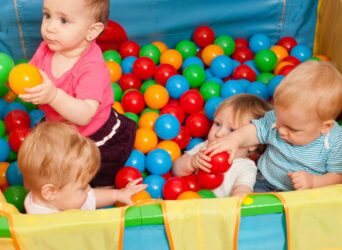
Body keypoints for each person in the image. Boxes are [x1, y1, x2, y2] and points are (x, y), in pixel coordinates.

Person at [19, 0, 136, 187]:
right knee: (47, 165)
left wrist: (53, 96)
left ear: (92, 31)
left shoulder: (91, 67)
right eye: (47, 15)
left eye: (64, 21)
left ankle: (105, 191)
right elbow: (29, 77)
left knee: (94, 177)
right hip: (58, 130)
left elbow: (84, 115)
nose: (49, 28)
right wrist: (16, 82)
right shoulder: (45, 49)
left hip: (92, 137)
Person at [206, 61, 342, 192]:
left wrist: (314, 182)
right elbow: (255, 131)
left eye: (292, 129)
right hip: (264, 181)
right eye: (279, 121)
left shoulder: (334, 140)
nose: (280, 130)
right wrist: (234, 139)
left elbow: (341, 175)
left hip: (305, 194)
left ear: (325, 127)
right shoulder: (277, 119)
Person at [18, 122, 147, 214]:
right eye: (81, 187)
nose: (89, 189)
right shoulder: (41, 224)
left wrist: (117, 194)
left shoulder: (63, 197)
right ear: (50, 192)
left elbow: (90, 198)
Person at [172, 94, 271, 197]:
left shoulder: (245, 167)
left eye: (232, 130)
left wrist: (236, 200)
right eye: (217, 124)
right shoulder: (204, 148)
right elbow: (176, 170)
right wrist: (191, 162)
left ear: (252, 144)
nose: (218, 134)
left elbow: (242, 192)